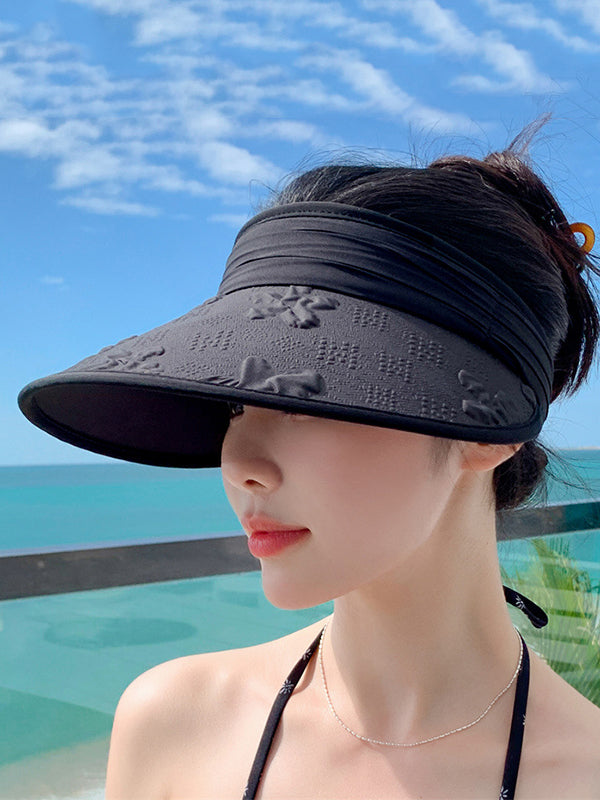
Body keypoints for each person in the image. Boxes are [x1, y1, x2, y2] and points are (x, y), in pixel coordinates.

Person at [18, 129, 600, 799]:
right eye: (234, 406)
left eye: (307, 398)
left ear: (489, 430)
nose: (240, 465)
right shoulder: (174, 721)